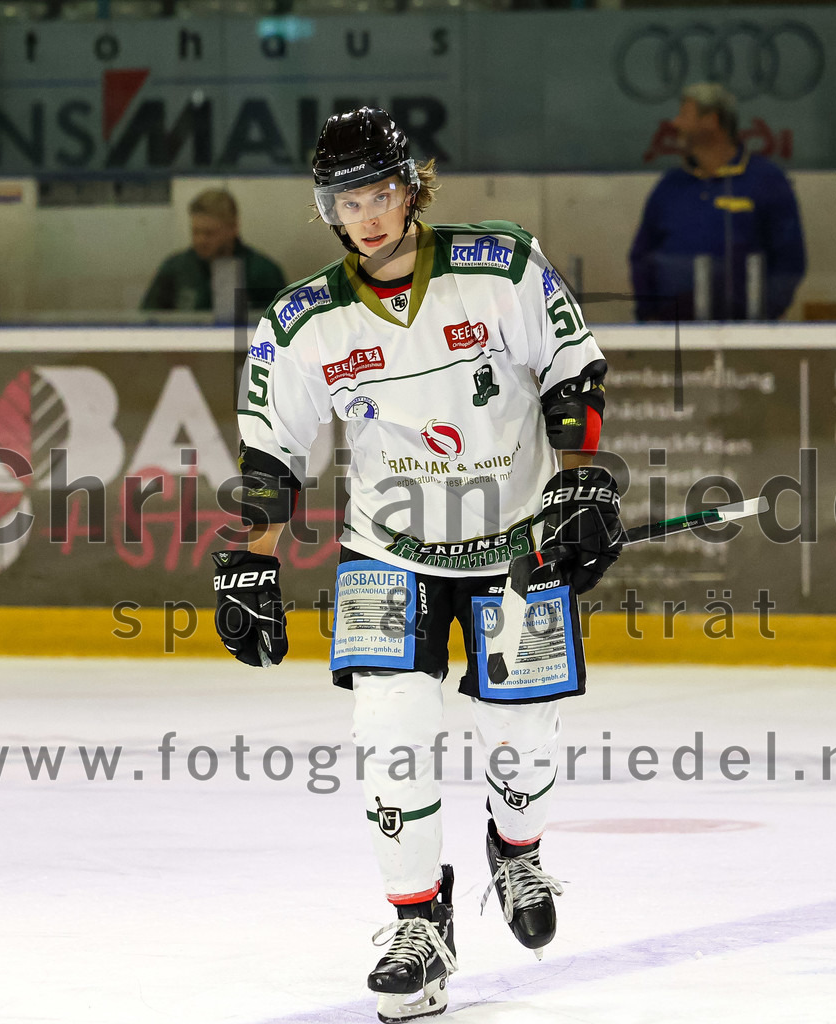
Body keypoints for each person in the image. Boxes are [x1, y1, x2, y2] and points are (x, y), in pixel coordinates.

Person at [210, 108, 623, 1022]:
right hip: (385, 554)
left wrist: (583, 485)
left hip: (518, 544)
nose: (365, 215)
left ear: (414, 186)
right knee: (390, 739)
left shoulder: (502, 265)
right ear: (327, 208)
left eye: (381, 192)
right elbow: (270, 458)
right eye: (344, 200)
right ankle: (416, 925)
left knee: (525, 742)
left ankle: (514, 850)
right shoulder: (302, 321)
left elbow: (572, 377)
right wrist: (249, 561)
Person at [629, 82, 806, 321]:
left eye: (684, 115)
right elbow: (641, 256)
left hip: (745, 329)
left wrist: (762, 318)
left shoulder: (766, 180)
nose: (675, 123)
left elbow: (789, 261)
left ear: (711, 120)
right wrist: (649, 316)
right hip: (672, 330)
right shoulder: (670, 185)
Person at [141, 189, 286, 311]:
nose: (201, 240)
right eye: (196, 232)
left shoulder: (263, 274)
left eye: (209, 233)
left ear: (233, 228)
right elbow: (147, 323)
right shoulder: (175, 270)